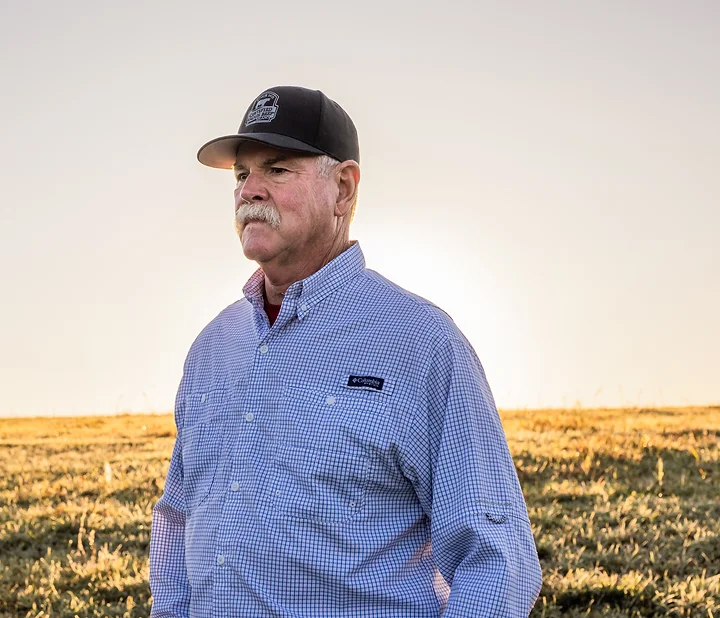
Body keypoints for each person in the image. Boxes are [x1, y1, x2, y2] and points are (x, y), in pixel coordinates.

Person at [150, 86, 542, 617]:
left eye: (278, 169)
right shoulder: (214, 347)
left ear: (343, 188)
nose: (250, 191)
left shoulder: (420, 343)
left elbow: (497, 562)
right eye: (242, 175)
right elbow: (179, 519)